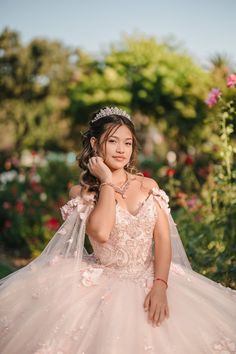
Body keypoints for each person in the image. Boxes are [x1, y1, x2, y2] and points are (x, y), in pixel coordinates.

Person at [0, 106, 235, 354]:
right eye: (112, 141)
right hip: (104, 283)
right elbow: (100, 232)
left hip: (154, 275)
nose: (121, 149)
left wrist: (160, 285)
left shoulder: (148, 185)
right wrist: (106, 181)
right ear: (95, 143)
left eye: (128, 143)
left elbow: (163, 239)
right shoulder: (82, 192)